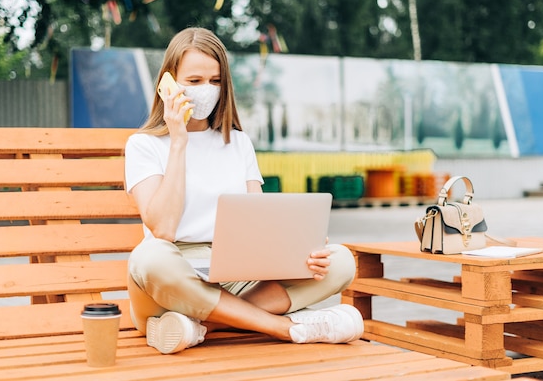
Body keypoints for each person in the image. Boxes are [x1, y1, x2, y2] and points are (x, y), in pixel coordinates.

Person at [124, 27, 364, 354]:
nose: (206, 90)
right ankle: (285, 327)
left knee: (340, 261)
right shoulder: (144, 145)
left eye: (215, 81)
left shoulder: (238, 143)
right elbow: (162, 229)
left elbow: (258, 224)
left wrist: (298, 250)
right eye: (194, 81)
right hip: (169, 281)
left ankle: (200, 326)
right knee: (148, 255)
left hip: (234, 272)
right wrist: (178, 141)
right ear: (168, 83)